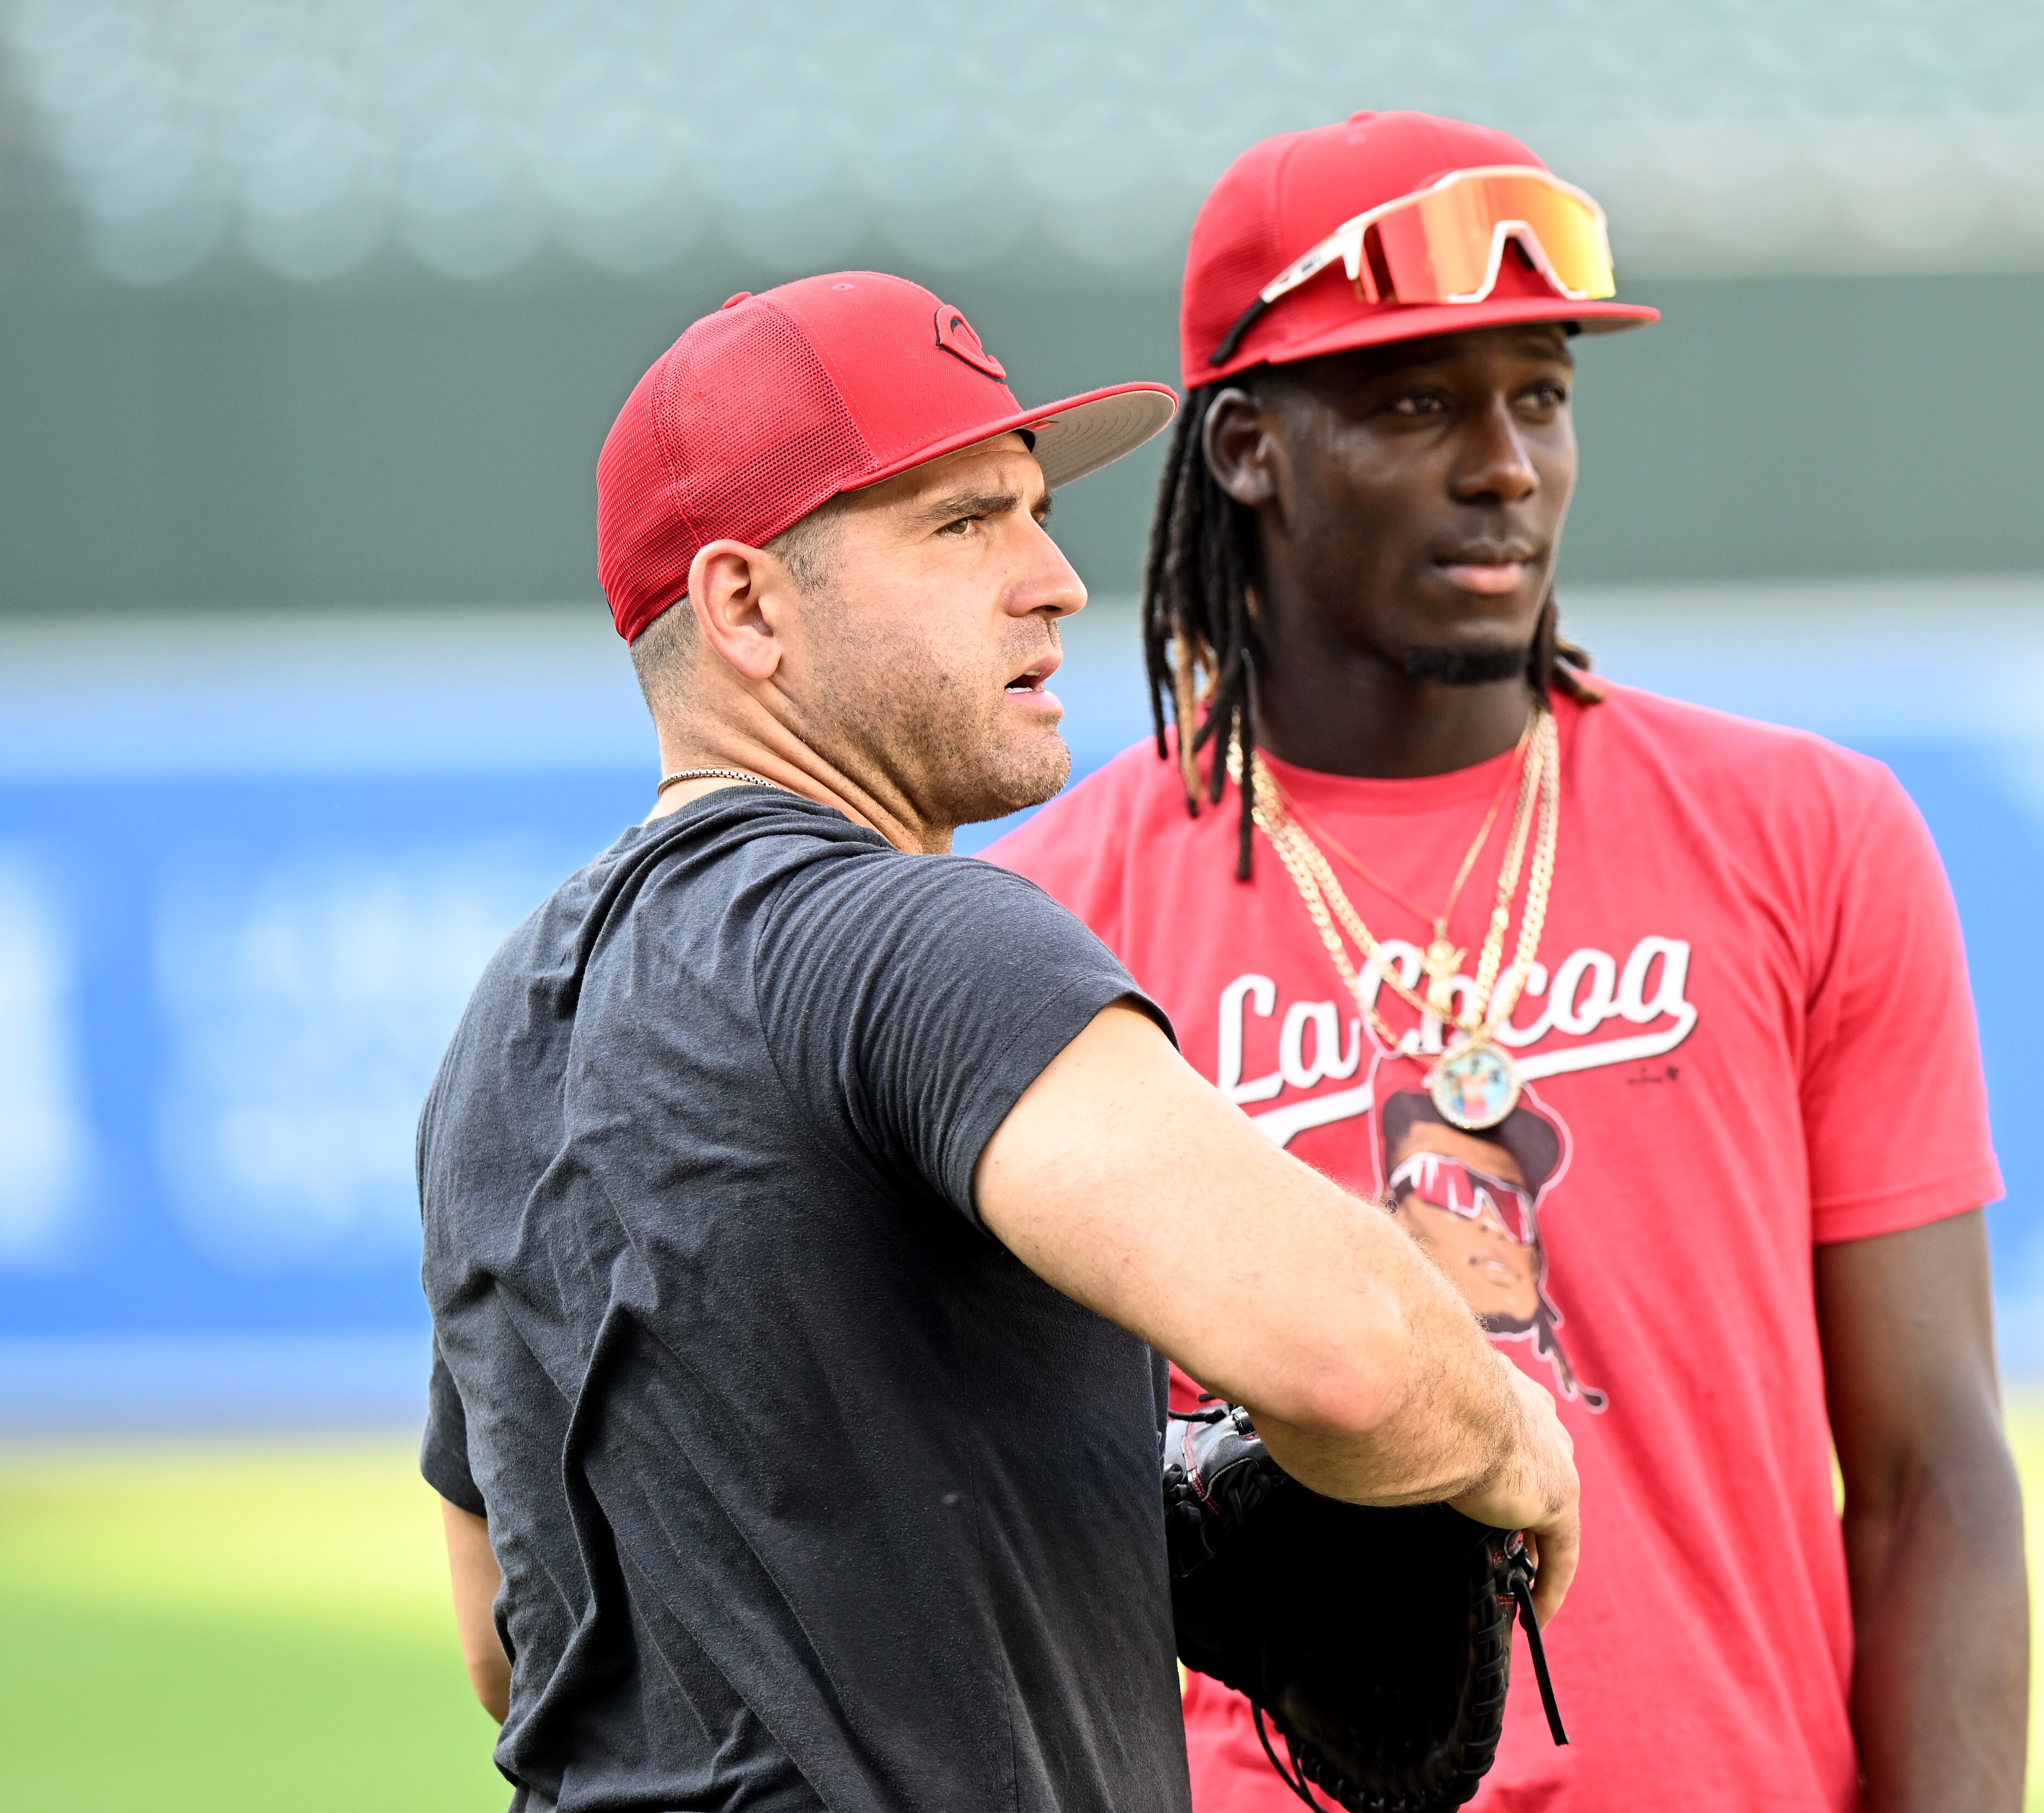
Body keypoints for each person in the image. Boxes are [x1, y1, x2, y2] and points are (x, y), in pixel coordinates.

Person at [417, 270, 1581, 1813]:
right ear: (746, 607)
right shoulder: (912, 937)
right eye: (960, 526)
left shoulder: (495, 1040)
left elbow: (512, 1634)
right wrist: (1513, 1437)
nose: (1052, 579)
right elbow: (1348, 1358)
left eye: (1032, 511)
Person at [987, 114, 2028, 1812]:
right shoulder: (1038, 924)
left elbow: (1933, 1476)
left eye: (1540, 393)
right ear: (1247, 447)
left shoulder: (1815, 835)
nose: (1508, 464)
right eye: (1418, 403)